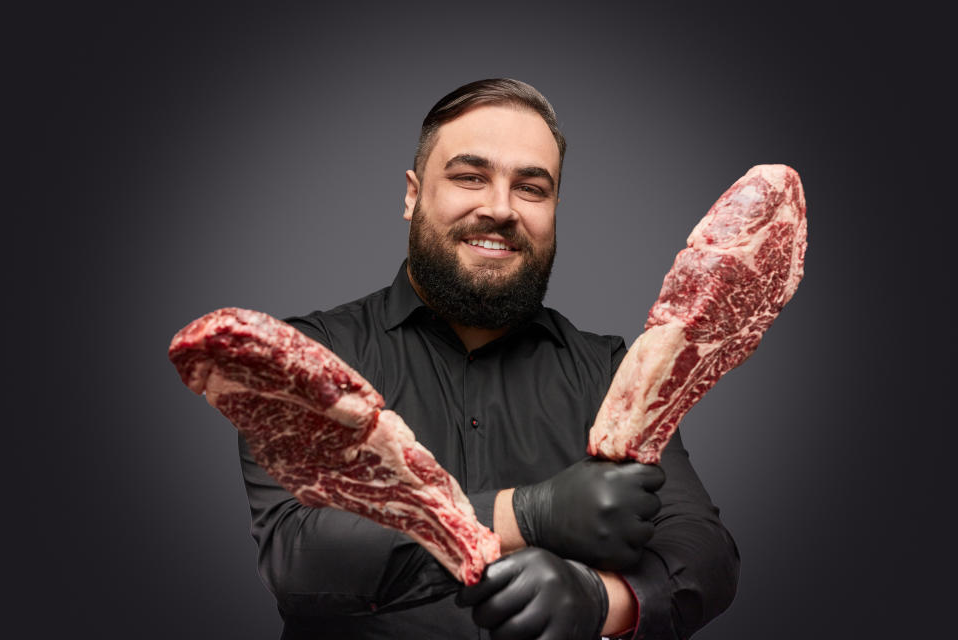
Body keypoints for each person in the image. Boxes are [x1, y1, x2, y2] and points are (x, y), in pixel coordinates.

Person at [239, 78, 739, 640]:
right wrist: (525, 515)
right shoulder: (311, 356)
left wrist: (604, 601)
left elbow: (703, 548)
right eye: (470, 177)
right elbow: (299, 555)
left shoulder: (609, 371)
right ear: (412, 195)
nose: (500, 209)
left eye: (531, 188)